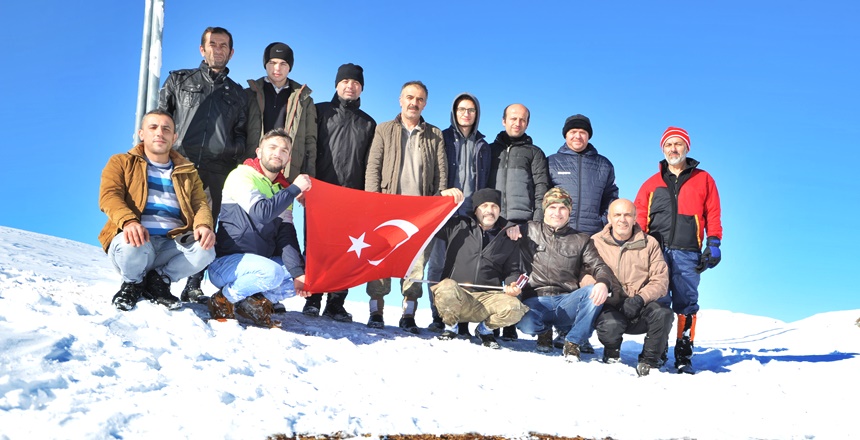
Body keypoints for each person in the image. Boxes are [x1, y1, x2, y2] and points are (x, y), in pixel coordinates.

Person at [158, 26, 247, 302]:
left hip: (216, 170)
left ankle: (193, 285)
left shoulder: (238, 94)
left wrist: (229, 153)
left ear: (231, 53)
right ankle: (155, 280)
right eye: (212, 44)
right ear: (202, 49)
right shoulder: (179, 80)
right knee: (166, 221)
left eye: (223, 46)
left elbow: (241, 133)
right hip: (178, 165)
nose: (217, 50)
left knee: (206, 226)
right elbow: (160, 119)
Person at [99, 110, 216, 311]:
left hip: (171, 245)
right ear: (141, 133)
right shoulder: (121, 162)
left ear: (174, 137)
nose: (159, 133)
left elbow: (200, 204)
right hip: (137, 244)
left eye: (166, 129)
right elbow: (109, 196)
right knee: (131, 241)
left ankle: (159, 281)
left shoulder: (188, 171)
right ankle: (133, 284)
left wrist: (204, 225)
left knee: (206, 249)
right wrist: (129, 221)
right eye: (153, 127)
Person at [634, 126, 722, 374]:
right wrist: (638, 248)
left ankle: (684, 355)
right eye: (668, 145)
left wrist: (713, 243)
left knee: (687, 303)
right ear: (663, 149)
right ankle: (658, 351)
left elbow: (713, 212)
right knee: (659, 302)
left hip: (688, 252)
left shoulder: (704, 179)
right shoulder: (651, 183)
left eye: (678, 144)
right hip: (656, 253)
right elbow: (640, 216)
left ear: (687, 148)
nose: (673, 149)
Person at [364, 80, 449, 334]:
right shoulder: (384, 129)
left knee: (416, 262)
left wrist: (435, 205)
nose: (414, 103)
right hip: (387, 206)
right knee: (380, 259)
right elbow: (373, 166)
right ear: (400, 100)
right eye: (410, 97)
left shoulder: (434, 134)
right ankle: (376, 311)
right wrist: (373, 200)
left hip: (420, 211)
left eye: (419, 99)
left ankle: (408, 313)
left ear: (425, 104)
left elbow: (441, 174)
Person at [206, 129, 312, 327]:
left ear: (288, 159)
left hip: (262, 266)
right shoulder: (241, 175)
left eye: (284, 150)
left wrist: (299, 273)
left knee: (311, 271)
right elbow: (261, 213)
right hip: (227, 264)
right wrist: (294, 189)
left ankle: (253, 303)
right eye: (272, 147)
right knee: (273, 272)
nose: (277, 153)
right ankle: (224, 298)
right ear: (259, 151)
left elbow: (286, 237)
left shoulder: (282, 190)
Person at [508, 187, 624, 361]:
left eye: (563, 208)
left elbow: (600, 266)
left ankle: (573, 341)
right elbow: (498, 227)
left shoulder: (581, 239)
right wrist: (509, 227)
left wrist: (602, 282)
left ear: (569, 212)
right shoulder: (528, 231)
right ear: (544, 209)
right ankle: (544, 331)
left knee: (594, 291)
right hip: (536, 300)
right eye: (552, 207)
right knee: (527, 324)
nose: (557, 213)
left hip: (567, 300)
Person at [303, 63, 376, 322]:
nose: (350, 86)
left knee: (347, 250)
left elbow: (369, 163)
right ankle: (313, 298)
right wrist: (306, 182)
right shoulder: (319, 111)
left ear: (361, 88)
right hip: (321, 192)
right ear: (336, 84)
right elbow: (308, 148)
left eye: (355, 83)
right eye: (345, 81)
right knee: (317, 247)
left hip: (352, 197)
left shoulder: (368, 123)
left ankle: (336, 303)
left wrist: (367, 197)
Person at [547, 114, 619, 353]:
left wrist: (602, 221)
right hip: (561, 232)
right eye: (573, 132)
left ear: (588, 136)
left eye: (582, 132)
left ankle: (581, 334)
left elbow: (611, 197)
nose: (577, 136)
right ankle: (562, 330)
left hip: (590, 234)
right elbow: (543, 196)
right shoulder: (552, 162)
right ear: (565, 135)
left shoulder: (603, 165)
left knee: (587, 282)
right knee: (562, 279)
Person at [426, 93, 492, 333]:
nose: (466, 114)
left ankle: (461, 318)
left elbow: (486, 180)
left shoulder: (483, 145)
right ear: (454, 112)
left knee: (464, 268)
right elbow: (433, 171)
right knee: (438, 265)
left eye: (471, 110)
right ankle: (438, 315)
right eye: (462, 109)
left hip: (469, 215)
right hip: (444, 212)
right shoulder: (442, 138)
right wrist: (438, 194)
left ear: (477, 114)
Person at [431, 188, 528, 349]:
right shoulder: (458, 226)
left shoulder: (508, 236)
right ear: (475, 210)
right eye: (484, 206)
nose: (489, 210)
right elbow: (431, 218)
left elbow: (512, 270)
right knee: (445, 287)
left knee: (515, 308)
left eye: (494, 206)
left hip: (487, 300)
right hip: (458, 297)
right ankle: (451, 327)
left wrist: (512, 285)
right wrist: (440, 195)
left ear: (500, 211)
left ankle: (485, 330)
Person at [589, 199, 673, 377]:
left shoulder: (649, 243)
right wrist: (606, 291)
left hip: (640, 306)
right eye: (617, 215)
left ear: (635, 218)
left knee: (663, 313)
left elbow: (661, 280)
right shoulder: (595, 241)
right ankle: (612, 351)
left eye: (627, 215)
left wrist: (640, 299)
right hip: (610, 305)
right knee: (610, 325)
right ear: (609, 218)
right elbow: (585, 275)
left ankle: (650, 361)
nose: (622, 219)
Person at [488, 103, 549, 340]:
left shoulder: (534, 153)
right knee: (492, 271)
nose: (517, 123)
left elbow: (541, 188)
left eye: (522, 120)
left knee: (518, 274)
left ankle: (511, 323)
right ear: (503, 120)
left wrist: (536, 223)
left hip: (523, 222)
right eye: (513, 118)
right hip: (494, 221)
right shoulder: (490, 150)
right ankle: (493, 319)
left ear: (527, 123)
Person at [246, 42, 317, 183]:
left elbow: (310, 141)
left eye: (283, 63)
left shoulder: (304, 100)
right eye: (272, 63)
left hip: (288, 173)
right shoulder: (249, 94)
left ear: (290, 67)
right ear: (265, 64)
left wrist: (309, 175)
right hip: (253, 170)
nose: (277, 68)